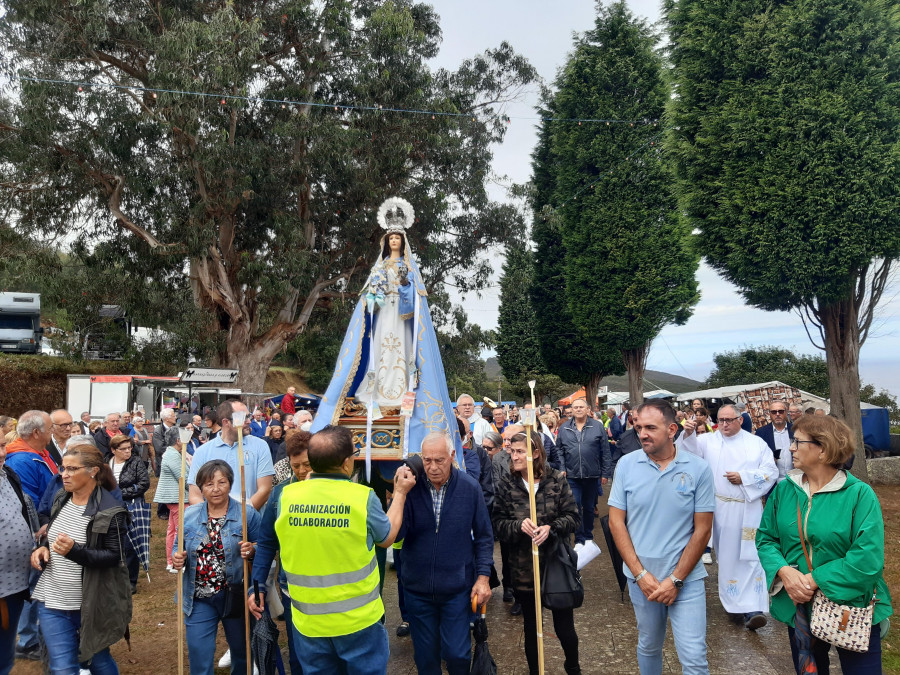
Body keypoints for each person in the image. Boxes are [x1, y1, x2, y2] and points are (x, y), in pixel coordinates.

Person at [248, 425, 415, 675]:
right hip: (358, 623)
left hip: (308, 623)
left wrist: (257, 583)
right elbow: (386, 537)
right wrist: (400, 493)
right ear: (347, 463)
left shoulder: (285, 497)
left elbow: (267, 541)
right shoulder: (362, 497)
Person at [756, 414, 893, 674]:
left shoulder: (859, 494)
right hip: (801, 607)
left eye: (797, 441)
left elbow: (867, 558)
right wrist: (785, 573)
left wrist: (812, 580)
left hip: (850, 608)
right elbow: (766, 539)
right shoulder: (785, 490)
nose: (791, 448)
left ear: (823, 449)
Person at [608, 400, 715, 675]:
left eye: (650, 428)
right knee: (648, 645)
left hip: (686, 579)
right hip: (641, 579)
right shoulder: (626, 465)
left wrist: (676, 579)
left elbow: (703, 529)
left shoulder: (698, 468)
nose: (642, 433)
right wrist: (640, 574)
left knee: (694, 657)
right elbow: (616, 522)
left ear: (671, 429)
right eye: (638, 426)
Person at [31, 444, 132, 673]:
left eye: (72, 469)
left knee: (98, 660)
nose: (64, 475)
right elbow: (55, 534)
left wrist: (74, 551)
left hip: (89, 603)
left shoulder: (110, 509)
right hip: (53, 599)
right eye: (62, 468)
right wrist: (44, 548)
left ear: (93, 471)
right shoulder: (61, 498)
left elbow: (114, 556)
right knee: (62, 667)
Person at [398, 432, 493, 675]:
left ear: (452, 456)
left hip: (456, 588)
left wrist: (483, 578)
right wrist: (398, 494)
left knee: (458, 655)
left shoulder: (470, 488)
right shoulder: (412, 489)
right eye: (427, 460)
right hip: (418, 589)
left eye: (439, 460)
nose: (432, 467)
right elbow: (395, 536)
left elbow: (483, 536)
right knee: (426, 658)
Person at [492, 429, 581, 675]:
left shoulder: (556, 479)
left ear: (536, 453)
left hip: (556, 565)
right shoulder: (507, 484)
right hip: (523, 567)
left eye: (520, 452)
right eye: (512, 451)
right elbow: (497, 522)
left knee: (565, 627)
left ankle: (573, 667)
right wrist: (518, 526)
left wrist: (551, 528)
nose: (514, 456)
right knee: (532, 628)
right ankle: (536, 671)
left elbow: (573, 517)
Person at [681, 404, 777, 629]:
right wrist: (687, 434)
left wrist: (745, 477)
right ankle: (735, 604)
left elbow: (771, 471)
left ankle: (754, 607)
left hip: (749, 507)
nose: (724, 424)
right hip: (721, 509)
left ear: (740, 420)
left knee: (752, 556)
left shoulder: (756, 443)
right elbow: (688, 453)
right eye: (720, 420)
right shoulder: (708, 441)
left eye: (729, 420)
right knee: (728, 557)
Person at [172, 460, 260, 675]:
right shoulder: (190, 516)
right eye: (209, 484)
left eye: (222, 482)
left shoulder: (246, 515)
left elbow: (265, 548)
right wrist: (177, 559)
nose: (216, 489)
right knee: (199, 653)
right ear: (200, 488)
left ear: (230, 483)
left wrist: (253, 550)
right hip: (199, 596)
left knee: (242, 653)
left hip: (235, 594)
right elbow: (178, 547)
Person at [255, 429, 313, 675]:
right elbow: (267, 542)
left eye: (308, 465)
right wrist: (256, 585)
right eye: (295, 465)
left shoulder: (334, 493)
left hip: (331, 592)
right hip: (292, 588)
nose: (301, 471)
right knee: (298, 653)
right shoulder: (280, 496)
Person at [188, 400, 274, 512]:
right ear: (226, 422)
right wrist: (215, 519)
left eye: (249, 416)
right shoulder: (202, 452)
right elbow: (195, 495)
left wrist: (243, 517)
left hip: (252, 523)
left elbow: (264, 489)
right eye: (244, 417)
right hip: (215, 525)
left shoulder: (260, 446)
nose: (249, 421)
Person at [0, 433, 40, 674]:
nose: (2, 453)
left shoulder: (9, 475)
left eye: (2, 445)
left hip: (14, 584)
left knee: (4, 654)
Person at [556, 398, 612, 547]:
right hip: (572, 475)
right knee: (575, 505)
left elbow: (605, 451)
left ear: (587, 409)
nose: (579, 409)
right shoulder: (564, 428)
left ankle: (588, 534)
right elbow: (559, 450)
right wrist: (562, 468)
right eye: (576, 407)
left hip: (592, 474)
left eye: (581, 407)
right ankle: (579, 538)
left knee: (588, 507)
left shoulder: (597, 427)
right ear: (572, 410)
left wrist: (605, 473)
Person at [108, 433, 150, 593]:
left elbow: (144, 483)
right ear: (114, 450)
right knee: (113, 543)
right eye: (123, 449)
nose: (128, 451)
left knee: (130, 544)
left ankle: (131, 581)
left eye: (129, 448)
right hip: (111, 507)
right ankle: (115, 578)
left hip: (132, 506)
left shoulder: (136, 462)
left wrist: (121, 492)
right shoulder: (107, 463)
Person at [154, 427, 190, 574]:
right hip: (177, 497)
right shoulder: (173, 455)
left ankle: (171, 561)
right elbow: (184, 478)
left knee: (173, 529)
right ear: (178, 440)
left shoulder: (173, 453)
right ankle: (175, 561)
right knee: (179, 530)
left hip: (175, 497)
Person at [754, 401, 795, 482]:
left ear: (786, 413)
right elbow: (757, 457)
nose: (777, 414)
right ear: (769, 414)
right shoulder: (761, 433)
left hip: (794, 478)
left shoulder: (795, 429)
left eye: (780, 411)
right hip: (772, 480)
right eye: (773, 412)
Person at [152, 409, 177, 476]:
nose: (175, 417)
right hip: (163, 463)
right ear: (167, 419)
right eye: (173, 416)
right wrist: (175, 448)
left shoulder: (175, 429)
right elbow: (159, 449)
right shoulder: (158, 431)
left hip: (174, 462)